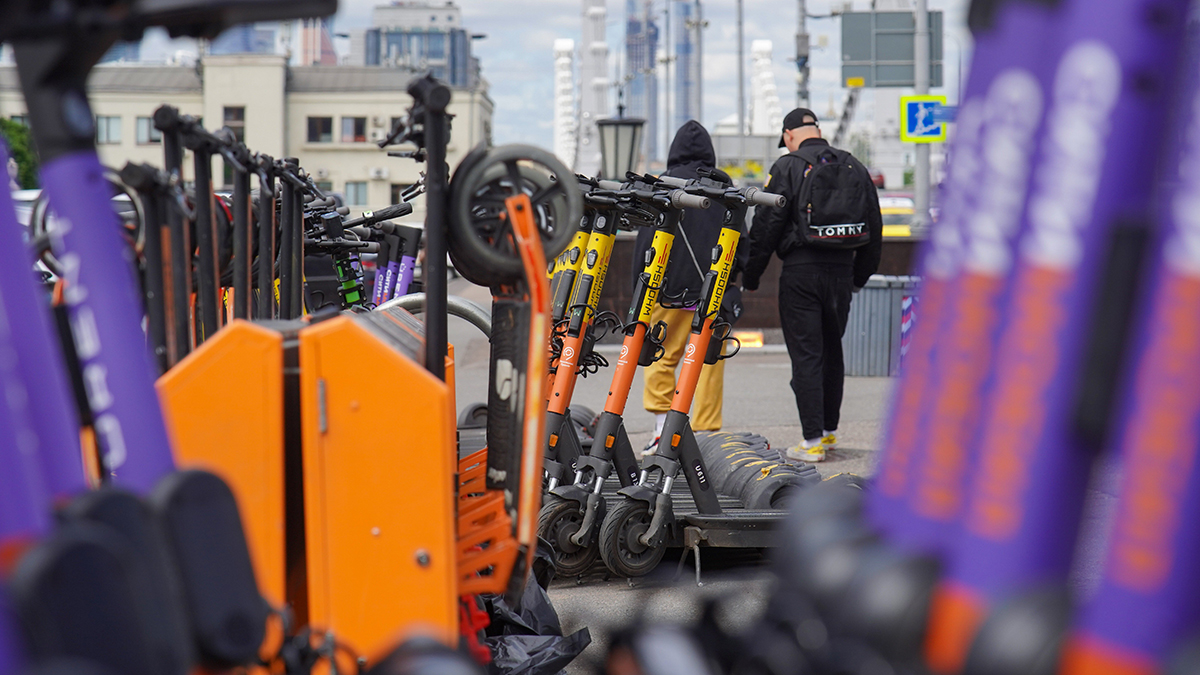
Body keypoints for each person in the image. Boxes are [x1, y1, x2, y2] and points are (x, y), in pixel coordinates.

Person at [742, 108, 882, 463]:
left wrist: (752, 274)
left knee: (807, 356)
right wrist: (859, 276)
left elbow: (767, 224)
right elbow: (874, 226)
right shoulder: (853, 165)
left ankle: (812, 441)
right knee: (833, 352)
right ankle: (830, 432)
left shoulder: (788, 166)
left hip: (802, 273)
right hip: (841, 272)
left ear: (789, 136)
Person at [632, 120, 737, 451]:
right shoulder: (725, 188)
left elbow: (646, 240)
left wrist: (639, 286)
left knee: (660, 356)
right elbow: (740, 241)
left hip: (667, 289)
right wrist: (737, 283)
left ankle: (663, 431)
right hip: (712, 290)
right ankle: (706, 438)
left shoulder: (662, 186)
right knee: (707, 360)